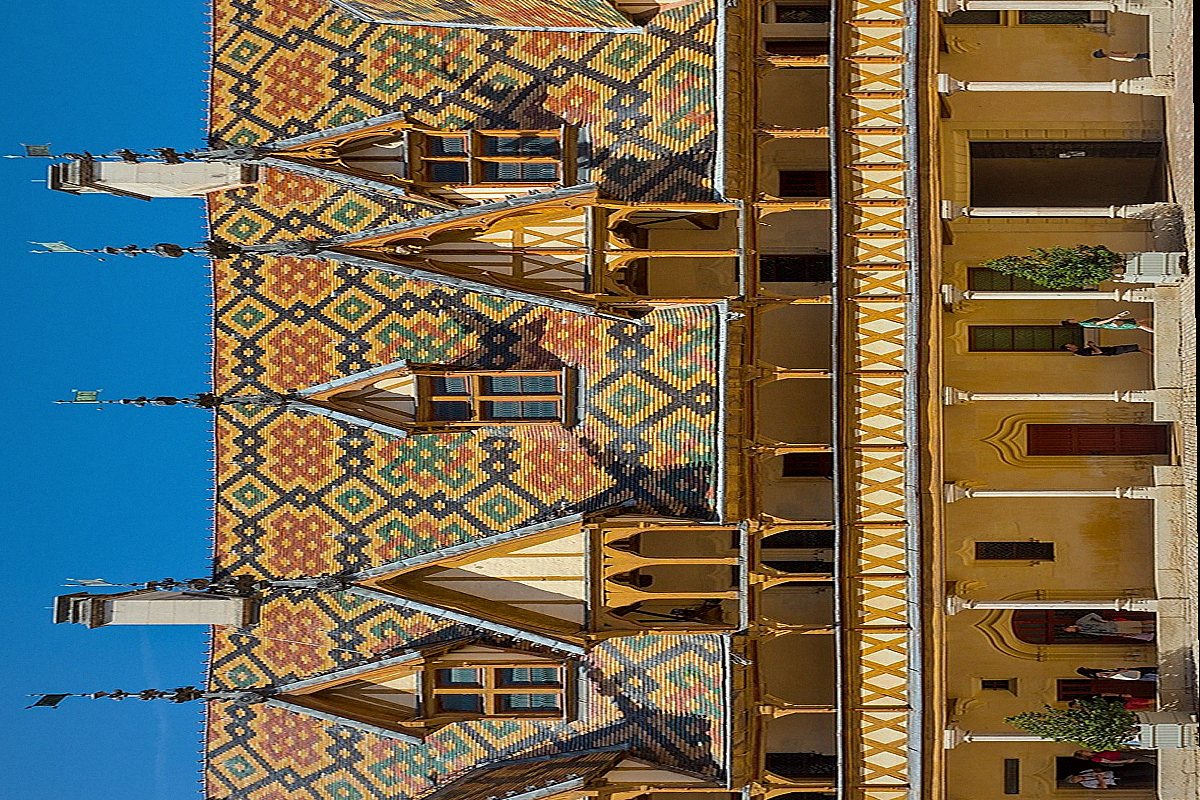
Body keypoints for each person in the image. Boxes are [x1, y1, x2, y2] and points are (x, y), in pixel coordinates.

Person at [1063, 613, 1155, 641]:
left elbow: (1091, 615)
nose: (1071, 631)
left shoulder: (1080, 622)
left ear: (1071, 626)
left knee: (1139, 623)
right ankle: (1155, 629)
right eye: (1070, 631)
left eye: (1069, 629)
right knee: (1140, 630)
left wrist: (1101, 620)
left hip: (1112, 624)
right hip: (1114, 631)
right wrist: (1115, 635)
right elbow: (1098, 633)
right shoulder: (1082, 631)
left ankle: (1156, 622)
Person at [1062, 311, 1153, 333]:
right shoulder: (1084, 323)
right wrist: (1113, 318)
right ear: (1072, 323)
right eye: (1070, 320)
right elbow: (1099, 323)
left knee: (1137, 320)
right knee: (1138, 324)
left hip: (1112, 322)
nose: (1072, 318)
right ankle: (1155, 331)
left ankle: (1155, 319)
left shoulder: (1083, 323)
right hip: (1111, 323)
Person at [1061, 341, 1151, 356]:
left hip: (1112, 350)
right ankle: (1154, 354)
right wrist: (1091, 345)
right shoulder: (1082, 352)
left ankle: (1153, 352)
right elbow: (1098, 352)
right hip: (1112, 351)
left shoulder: (1081, 351)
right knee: (1137, 347)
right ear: (1069, 348)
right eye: (1071, 345)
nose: (1074, 345)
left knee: (1137, 349)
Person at [1074, 749, 1158, 765]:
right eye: (1082, 752)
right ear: (1083, 755)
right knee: (1139, 758)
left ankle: (1156, 754)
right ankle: (1154, 761)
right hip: (1119, 756)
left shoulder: (1094, 752)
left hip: (1119, 752)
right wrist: (1125, 761)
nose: (1084, 751)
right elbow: (1109, 762)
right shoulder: (1094, 758)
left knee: (1141, 753)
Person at [1076, 666, 1158, 681]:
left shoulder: (1095, 674)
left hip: (1129, 675)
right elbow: (1109, 674)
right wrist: (1120, 671)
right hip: (1128, 674)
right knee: (1150, 674)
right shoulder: (1097, 673)